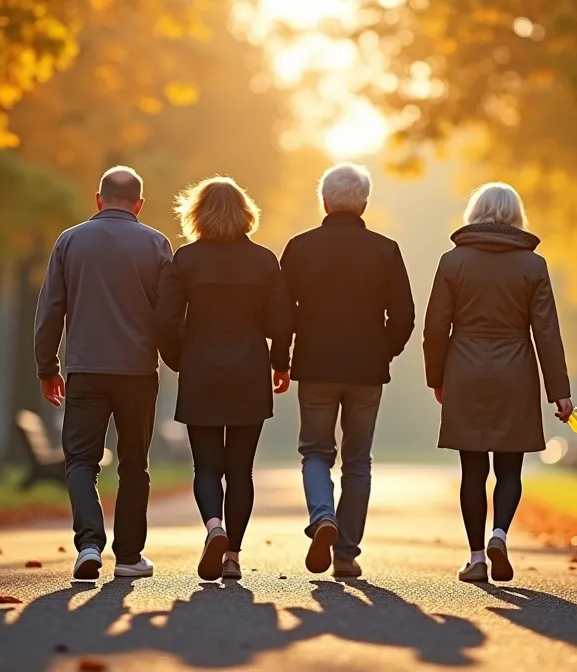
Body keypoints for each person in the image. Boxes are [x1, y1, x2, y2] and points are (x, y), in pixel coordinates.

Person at [421, 182, 574, 583]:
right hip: (516, 371)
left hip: (464, 369)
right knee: (509, 468)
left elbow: (436, 327)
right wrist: (559, 392)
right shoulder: (532, 266)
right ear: (515, 215)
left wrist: (436, 377)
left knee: (472, 469)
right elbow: (547, 331)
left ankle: (475, 558)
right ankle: (500, 535)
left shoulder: (452, 261)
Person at [34, 165, 172, 581]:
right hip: (137, 371)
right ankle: (129, 556)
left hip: (85, 369)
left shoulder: (70, 241)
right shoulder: (156, 244)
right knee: (134, 463)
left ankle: (89, 543)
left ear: (98, 199)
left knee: (80, 460)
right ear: (140, 204)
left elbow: (50, 310)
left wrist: (47, 367)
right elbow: (168, 315)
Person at [280, 163, 415, 578]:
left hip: (316, 365)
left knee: (315, 452)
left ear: (324, 201)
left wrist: (281, 360)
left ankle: (323, 516)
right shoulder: (385, 249)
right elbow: (405, 315)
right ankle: (346, 553)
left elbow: (282, 313)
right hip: (366, 369)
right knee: (358, 460)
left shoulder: (300, 248)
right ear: (364, 204)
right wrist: (384, 351)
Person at [155, 176, 293, 582]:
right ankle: (232, 554)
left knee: (206, 467)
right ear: (246, 213)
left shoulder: (186, 260)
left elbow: (165, 320)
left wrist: (178, 359)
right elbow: (282, 321)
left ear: (196, 214)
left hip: (201, 370)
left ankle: (214, 526)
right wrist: (280, 363)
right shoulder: (265, 260)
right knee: (241, 470)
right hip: (250, 371)